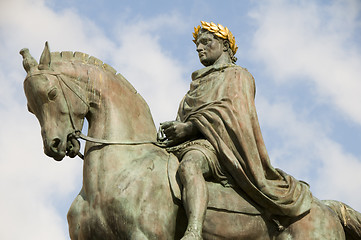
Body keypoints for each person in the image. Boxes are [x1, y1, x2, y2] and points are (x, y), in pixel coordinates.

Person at [160, 21, 312, 240]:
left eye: (206, 42)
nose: (199, 48)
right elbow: (184, 117)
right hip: (188, 144)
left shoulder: (238, 75)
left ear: (224, 45)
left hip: (220, 148)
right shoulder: (196, 84)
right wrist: (172, 131)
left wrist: (191, 127)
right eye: (197, 46)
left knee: (190, 165)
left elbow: (234, 113)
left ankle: (193, 231)